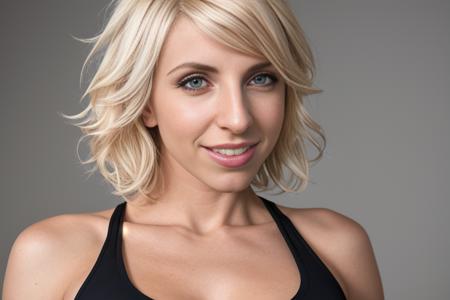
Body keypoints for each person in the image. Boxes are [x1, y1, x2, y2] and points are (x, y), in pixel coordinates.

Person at [2, 0, 384, 299]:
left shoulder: (338, 246)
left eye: (261, 78)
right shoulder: (53, 254)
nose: (238, 118)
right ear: (146, 103)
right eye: (195, 81)